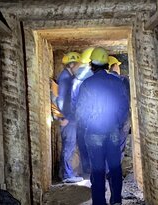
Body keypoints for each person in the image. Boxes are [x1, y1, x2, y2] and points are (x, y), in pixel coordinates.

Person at [75, 48, 130, 205]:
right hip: (113, 131)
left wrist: (86, 126)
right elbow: (124, 107)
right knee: (115, 167)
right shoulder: (118, 82)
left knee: (97, 170)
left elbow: (80, 113)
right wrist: (116, 123)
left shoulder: (86, 84)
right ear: (107, 64)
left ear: (92, 65)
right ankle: (116, 200)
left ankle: (99, 202)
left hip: (94, 133)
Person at [57, 51, 83, 183]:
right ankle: (67, 175)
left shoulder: (69, 77)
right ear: (71, 64)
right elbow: (61, 100)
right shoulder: (65, 78)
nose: (79, 67)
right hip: (68, 120)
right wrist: (64, 117)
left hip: (70, 119)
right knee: (69, 146)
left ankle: (66, 173)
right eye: (78, 64)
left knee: (70, 146)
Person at [70, 47, 95, 177]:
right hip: (95, 118)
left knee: (83, 144)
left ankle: (86, 171)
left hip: (80, 118)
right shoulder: (95, 79)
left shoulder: (75, 80)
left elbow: (73, 100)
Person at [108, 56, 131, 162]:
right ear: (114, 66)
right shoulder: (123, 80)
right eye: (118, 65)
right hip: (122, 117)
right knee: (120, 145)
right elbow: (128, 97)